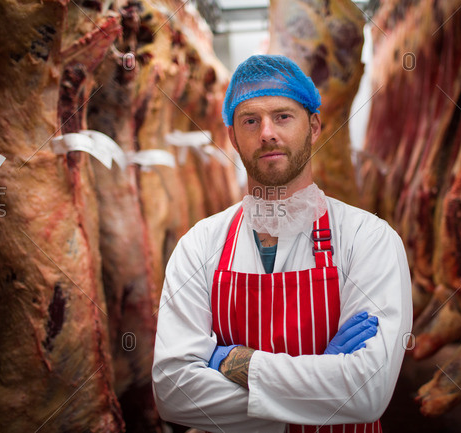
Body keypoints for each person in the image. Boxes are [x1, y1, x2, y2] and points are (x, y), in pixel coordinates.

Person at [152, 54, 413, 433]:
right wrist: (320, 386)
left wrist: (231, 361)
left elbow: (366, 392)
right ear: (232, 138)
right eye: (250, 120)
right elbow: (173, 393)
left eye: (283, 116)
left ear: (314, 127)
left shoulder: (369, 239)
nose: (267, 132)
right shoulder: (199, 245)